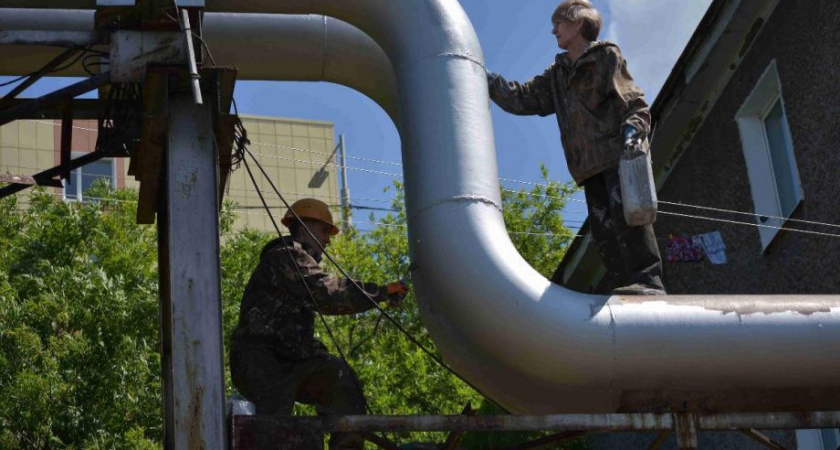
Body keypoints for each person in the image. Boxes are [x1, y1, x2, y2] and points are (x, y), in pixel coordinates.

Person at [487, 0, 666, 295]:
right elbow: (521, 98)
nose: (553, 30)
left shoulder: (605, 57)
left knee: (629, 220)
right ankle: (626, 289)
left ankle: (648, 282)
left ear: (579, 24)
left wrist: (633, 137)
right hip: (587, 167)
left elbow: (634, 104)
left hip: (616, 158)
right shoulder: (557, 75)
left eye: (559, 23)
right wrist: (486, 79)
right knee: (604, 232)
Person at [229, 198, 408, 449]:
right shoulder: (286, 257)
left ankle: (348, 445)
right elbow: (326, 292)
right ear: (304, 226)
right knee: (276, 423)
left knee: (338, 374)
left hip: (285, 360)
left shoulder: (296, 264)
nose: (328, 240)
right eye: (325, 231)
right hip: (259, 359)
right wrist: (381, 292)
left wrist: (314, 349)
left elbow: (287, 329)